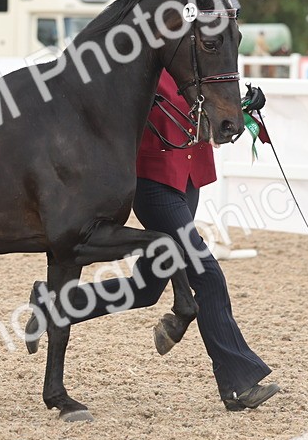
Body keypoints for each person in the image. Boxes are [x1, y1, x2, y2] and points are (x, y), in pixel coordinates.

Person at [27, 69, 280, 411]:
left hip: (188, 180)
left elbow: (211, 117)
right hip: (155, 184)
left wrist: (241, 107)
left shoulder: (199, 64)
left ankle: (54, 305)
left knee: (146, 288)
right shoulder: (145, 65)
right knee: (206, 274)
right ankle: (239, 382)